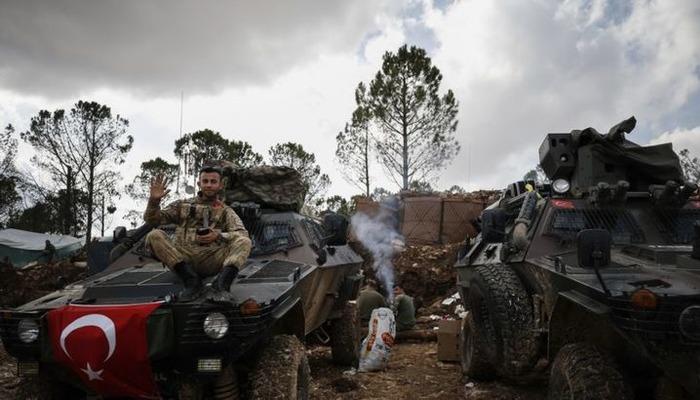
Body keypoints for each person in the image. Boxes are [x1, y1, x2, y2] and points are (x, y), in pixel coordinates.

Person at [144, 166, 252, 300]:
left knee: (244, 242)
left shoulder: (226, 211)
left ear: (220, 185)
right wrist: (154, 202)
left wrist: (218, 235)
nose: (209, 185)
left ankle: (221, 286)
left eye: (213, 182)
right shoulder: (181, 205)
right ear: (199, 184)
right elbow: (152, 220)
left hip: (212, 259)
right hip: (183, 259)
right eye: (205, 181)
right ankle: (191, 282)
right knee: (154, 235)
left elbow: (242, 234)